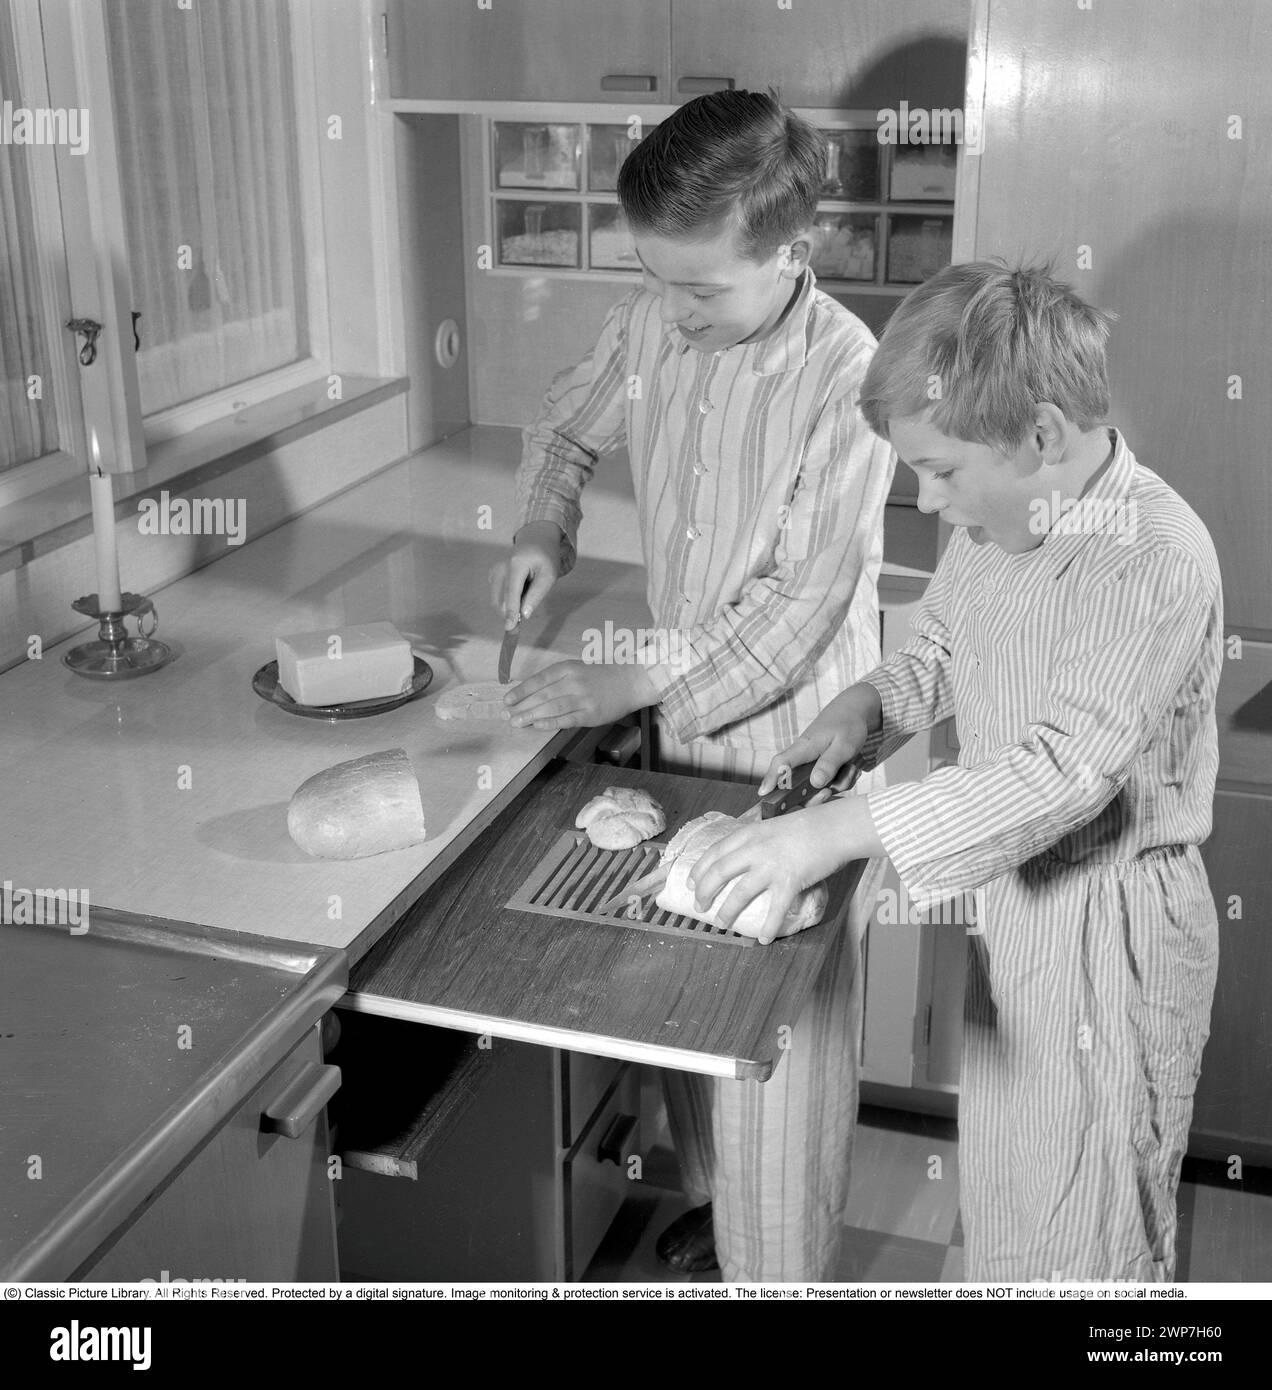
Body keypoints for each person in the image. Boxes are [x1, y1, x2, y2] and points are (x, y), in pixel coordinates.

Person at [689, 260, 1223, 1281]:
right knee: (1012, 1209)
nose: (929, 502)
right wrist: (866, 709)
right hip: (1018, 916)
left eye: (940, 469)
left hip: (1109, 942)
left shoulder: (1152, 556)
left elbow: (1062, 772)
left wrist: (830, 833)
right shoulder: (1003, 519)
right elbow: (943, 645)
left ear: (1045, 436)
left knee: (1089, 1234)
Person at [493, 90, 895, 1281]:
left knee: (774, 1050)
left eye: (702, 290)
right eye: (656, 281)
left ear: (794, 252)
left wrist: (629, 686)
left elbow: (799, 606)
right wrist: (541, 530)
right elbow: (565, 429)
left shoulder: (851, 380)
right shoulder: (651, 323)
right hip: (676, 734)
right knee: (680, 1009)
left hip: (793, 755)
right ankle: (722, 1223)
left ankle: (778, 1267)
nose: (674, 312)